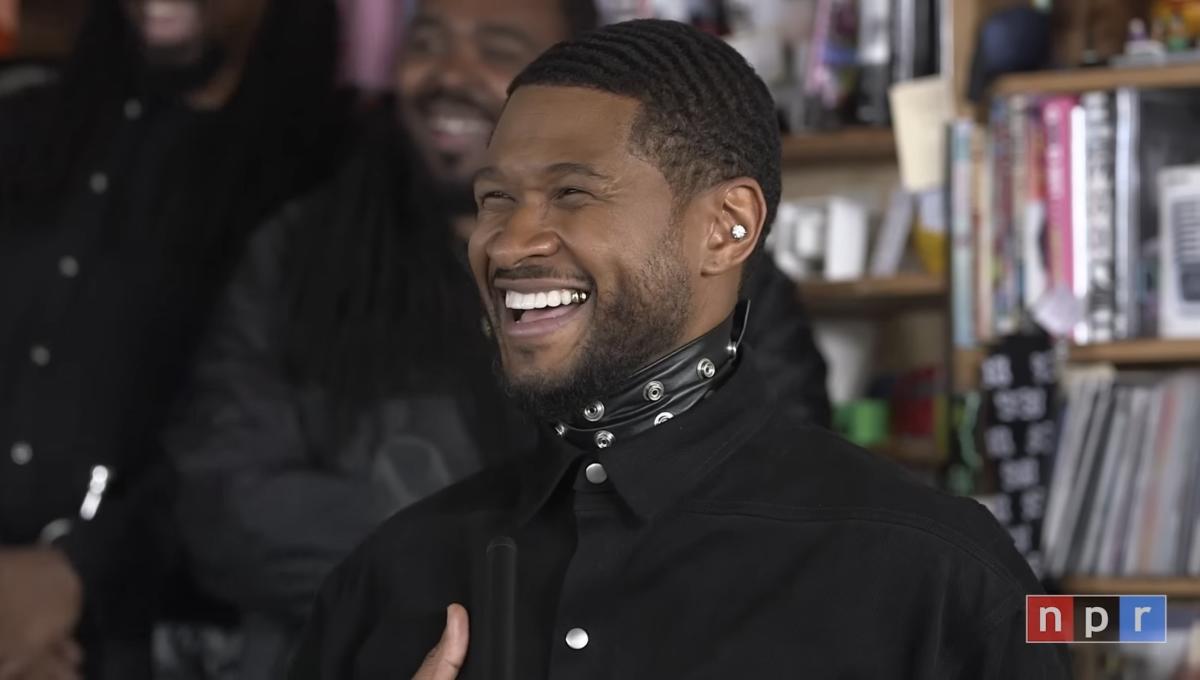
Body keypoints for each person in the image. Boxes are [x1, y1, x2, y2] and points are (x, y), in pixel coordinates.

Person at [290, 19, 1072, 680]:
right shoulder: (388, 577)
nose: (509, 242)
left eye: (572, 192)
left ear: (727, 227)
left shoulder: (936, 578)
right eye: (496, 199)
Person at [168, 0, 830, 677]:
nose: (450, 72)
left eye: (497, 45)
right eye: (427, 40)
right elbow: (225, 501)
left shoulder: (698, 264)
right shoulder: (294, 259)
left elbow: (775, 483)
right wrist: (498, 581)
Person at [0, 0, 346, 678]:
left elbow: (273, 436)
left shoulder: (324, 182)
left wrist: (70, 575)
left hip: (154, 637)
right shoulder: (21, 116)